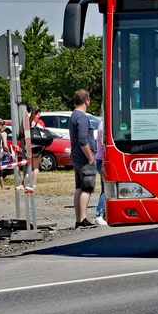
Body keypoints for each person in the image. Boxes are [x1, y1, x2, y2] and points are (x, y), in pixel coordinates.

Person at [69, 89, 98, 228]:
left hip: (76, 156)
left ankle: (78, 219)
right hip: (84, 158)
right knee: (87, 188)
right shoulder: (82, 117)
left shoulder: (73, 115)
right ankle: (83, 219)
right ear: (86, 100)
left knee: (79, 187)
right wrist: (90, 157)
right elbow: (82, 140)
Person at [94, 119, 107, 225]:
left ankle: (103, 213)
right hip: (103, 159)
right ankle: (99, 214)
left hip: (99, 159)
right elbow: (104, 144)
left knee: (104, 188)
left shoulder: (101, 123)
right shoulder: (104, 126)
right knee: (106, 189)